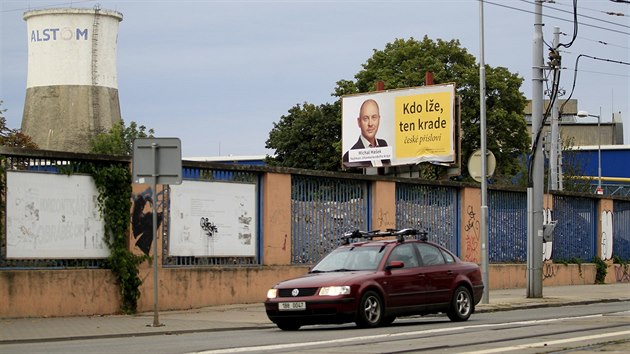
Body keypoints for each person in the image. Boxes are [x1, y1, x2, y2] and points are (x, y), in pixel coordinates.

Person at [343, 99, 391, 167]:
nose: (370, 124)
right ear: (359, 122)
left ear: (379, 119)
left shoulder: (383, 144)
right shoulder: (350, 156)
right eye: (366, 119)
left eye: (374, 117)